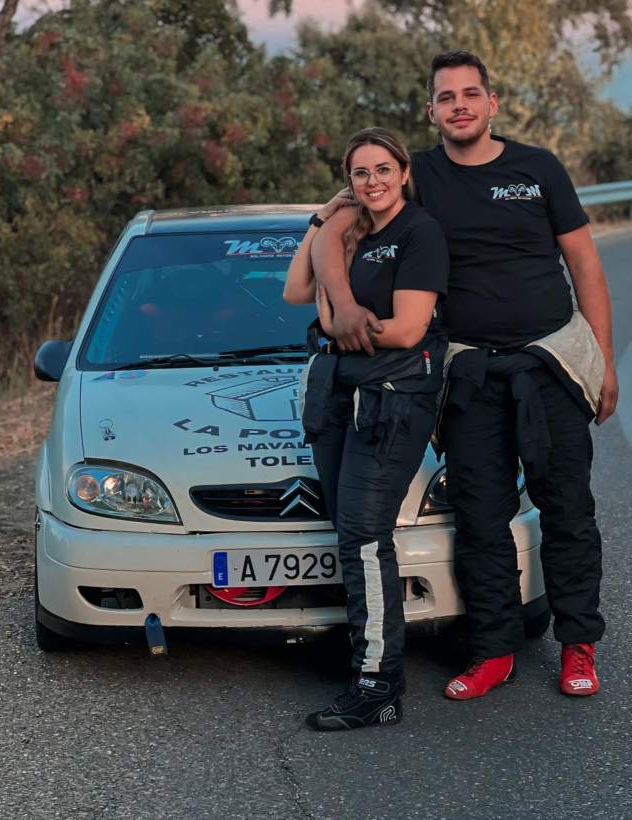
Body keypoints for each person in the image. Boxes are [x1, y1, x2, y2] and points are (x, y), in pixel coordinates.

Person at [310, 52, 619, 700]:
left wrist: (605, 362)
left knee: (567, 510)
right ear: (430, 111)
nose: (459, 105)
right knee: (480, 517)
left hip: (550, 363)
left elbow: (586, 266)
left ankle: (578, 646)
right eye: (445, 97)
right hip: (469, 372)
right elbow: (336, 221)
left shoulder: (538, 168)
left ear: (492, 102)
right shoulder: (415, 174)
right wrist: (340, 304)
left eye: (470, 94)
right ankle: (494, 652)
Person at [283, 127, 449, 730]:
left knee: (363, 533)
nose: (372, 181)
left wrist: (343, 321)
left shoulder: (418, 232)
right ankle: (367, 659)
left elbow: (407, 330)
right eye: (360, 173)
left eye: (383, 169)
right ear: (347, 181)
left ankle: (378, 682)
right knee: (350, 529)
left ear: (403, 172)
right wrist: (321, 218)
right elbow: (296, 288)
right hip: (342, 393)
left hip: (396, 396)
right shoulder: (352, 232)